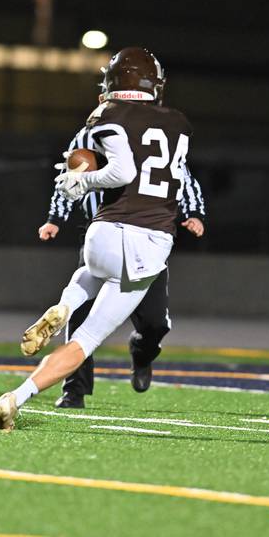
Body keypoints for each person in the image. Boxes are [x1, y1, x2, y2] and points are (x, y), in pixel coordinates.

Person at [0, 47, 201, 430]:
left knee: (90, 275)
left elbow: (101, 166)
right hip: (147, 243)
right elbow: (128, 172)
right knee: (85, 341)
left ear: (111, 82)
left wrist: (77, 184)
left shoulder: (104, 114)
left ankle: (65, 305)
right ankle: (16, 397)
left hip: (101, 235)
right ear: (154, 84)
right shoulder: (178, 123)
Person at [38, 104, 205, 409]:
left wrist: (193, 211)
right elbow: (72, 173)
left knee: (155, 322)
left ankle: (142, 352)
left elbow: (179, 174)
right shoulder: (91, 133)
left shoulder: (158, 134)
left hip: (145, 239)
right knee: (80, 315)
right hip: (102, 235)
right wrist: (55, 217)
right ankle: (74, 389)